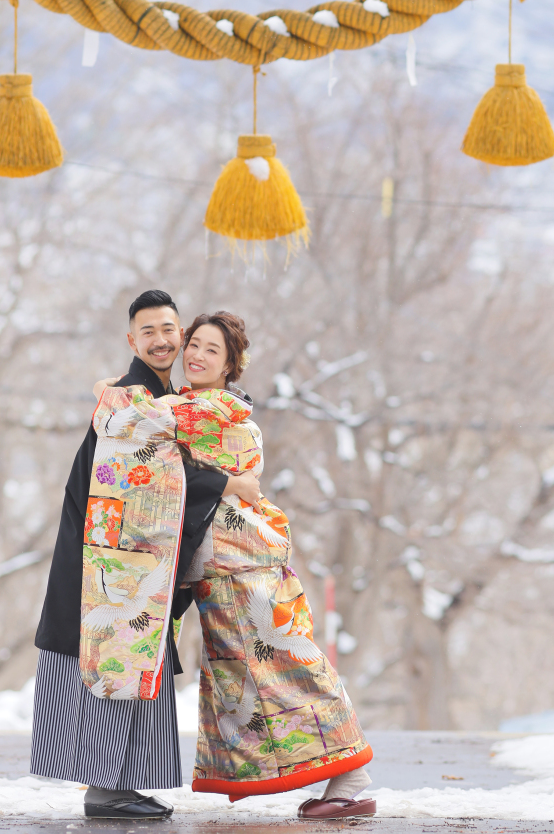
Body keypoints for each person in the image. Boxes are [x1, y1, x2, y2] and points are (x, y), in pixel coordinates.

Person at [91, 310, 376, 821]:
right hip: (225, 564)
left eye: (211, 350)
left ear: (230, 365)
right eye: (194, 345)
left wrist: (110, 389)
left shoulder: (211, 408)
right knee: (249, 674)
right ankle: (340, 780)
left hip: (240, 563)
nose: (197, 355)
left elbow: (129, 421)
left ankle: (351, 779)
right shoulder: (200, 405)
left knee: (287, 662)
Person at [30, 290, 262, 819]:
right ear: (132, 340)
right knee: (113, 660)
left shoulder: (154, 395)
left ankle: (121, 784)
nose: (162, 340)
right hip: (108, 553)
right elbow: (154, 477)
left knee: (136, 662)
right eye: (149, 331)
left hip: (131, 553)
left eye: (169, 330)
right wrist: (229, 483)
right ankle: (105, 789)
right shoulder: (132, 394)